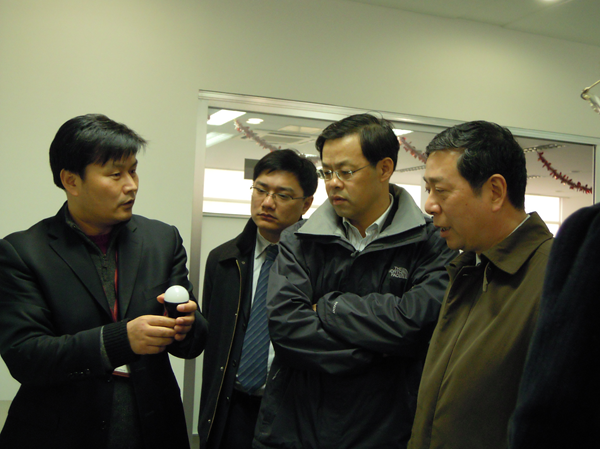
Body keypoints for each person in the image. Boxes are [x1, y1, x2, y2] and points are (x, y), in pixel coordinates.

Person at [0, 114, 208, 449]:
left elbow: (193, 341)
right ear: (71, 181)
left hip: (152, 424)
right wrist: (119, 340)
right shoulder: (23, 252)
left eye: (133, 171)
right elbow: (26, 356)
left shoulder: (161, 240)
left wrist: (187, 326)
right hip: (62, 429)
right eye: (115, 174)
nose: (131, 185)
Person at [253, 114, 457, 449]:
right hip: (297, 428)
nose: (333, 183)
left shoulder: (431, 242)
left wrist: (329, 307)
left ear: (384, 169)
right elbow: (287, 329)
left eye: (346, 172)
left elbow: (416, 324)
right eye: (327, 172)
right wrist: (382, 352)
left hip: (387, 431)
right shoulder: (299, 239)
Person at [408, 121, 554, 449]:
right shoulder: (468, 268)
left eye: (441, 190)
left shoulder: (556, 279)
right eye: (428, 190)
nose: (429, 205)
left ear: (495, 191)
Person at [198, 149, 317, 449]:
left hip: (292, 411)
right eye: (261, 190)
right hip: (231, 408)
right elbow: (215, 342)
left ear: (306, 203)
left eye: (282, 195)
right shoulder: (223, 260)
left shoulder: (321, 263)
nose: (267, 203)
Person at [508, 202, 600, 449]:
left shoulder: (585, 235)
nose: (431, 205)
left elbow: (548, 415)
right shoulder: (462, 268)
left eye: (441, 190)